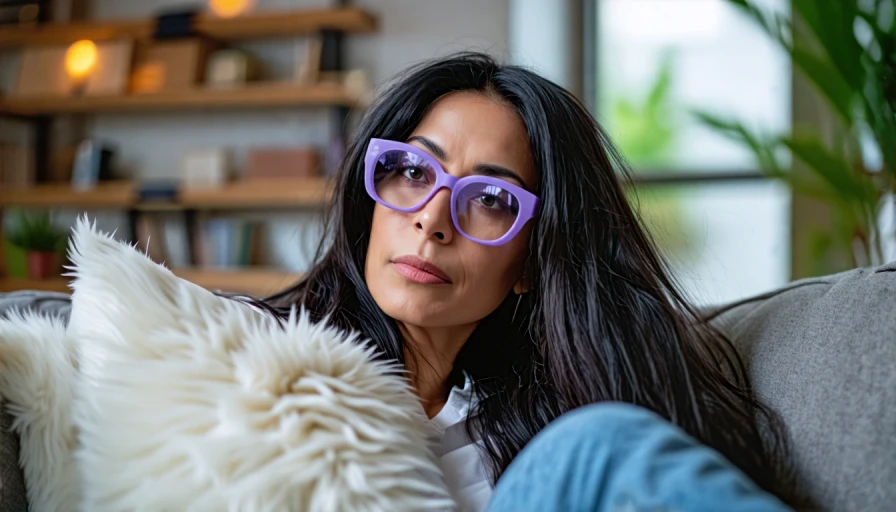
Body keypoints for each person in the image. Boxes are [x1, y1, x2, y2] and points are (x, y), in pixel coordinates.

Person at [259, 52, 795, 511]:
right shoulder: (246, 363)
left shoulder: (517, 445)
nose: (433, 220)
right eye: (414, 171)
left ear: (530, 263)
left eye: (491, 200)